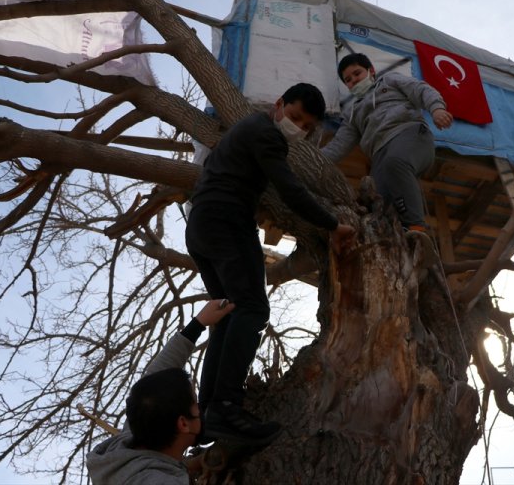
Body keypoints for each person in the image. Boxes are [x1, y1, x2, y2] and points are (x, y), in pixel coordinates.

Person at [185, 82, 355, 444]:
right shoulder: (265, 133)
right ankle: (227, 407)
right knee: (252, 309)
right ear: (278, 104)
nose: (298, 128)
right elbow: (290, 190)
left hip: (200, 225)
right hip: (227, 221)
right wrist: (331, 225)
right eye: (294, 117)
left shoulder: (245, 132)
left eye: (307, 126)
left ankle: (209, 413)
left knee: (227, 314)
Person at [86, 299, 236, 485]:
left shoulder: (133, 437)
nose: (200, 409)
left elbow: (155, 376)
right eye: (196, 406)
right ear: (183, 424)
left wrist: (198, 323)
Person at [321, 53, 453, 233]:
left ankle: (416, 229)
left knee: (395, 162)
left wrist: (436, 109)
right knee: (375, 204)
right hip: (379, 157)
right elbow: (338, 145)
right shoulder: (352, 114)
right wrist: (313, 159)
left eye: (357, 74)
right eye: (348, 80)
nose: (354, 81)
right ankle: (394, 245)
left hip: (410, 135)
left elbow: (421, 89)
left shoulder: (390, 81)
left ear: (371, 71)